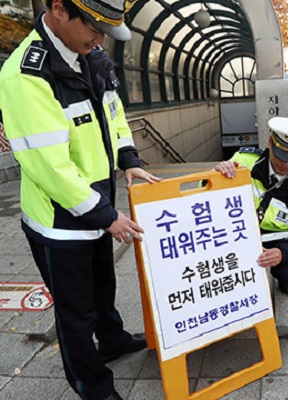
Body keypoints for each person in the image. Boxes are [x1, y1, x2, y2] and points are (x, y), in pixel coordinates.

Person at [0, 0, 163, 398]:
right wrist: (107, 216)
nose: (100, 37)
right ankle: (93, 386)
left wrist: (128, 160)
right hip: (59, 220)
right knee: (76, 312)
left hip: (96, 209)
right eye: (93, 26)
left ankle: (111, 340)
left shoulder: (89, 55)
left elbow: (114, 112)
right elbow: (48, 165)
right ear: (59, 9)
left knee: (103, 286)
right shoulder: (27, 75)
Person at [215, 117, 288, 295]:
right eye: (282, 157)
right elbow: (205, 196)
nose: (286, 165)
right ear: (270, 143)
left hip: (276, 239)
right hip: (239, 231)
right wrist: (216, 174)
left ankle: (286, 280)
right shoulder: (244, 160)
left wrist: (282, 252)